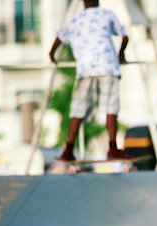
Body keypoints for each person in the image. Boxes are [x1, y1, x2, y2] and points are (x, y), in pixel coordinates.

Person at [49, 0, 132, 161]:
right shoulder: (106, 14)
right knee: (110, 106)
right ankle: (112, 148)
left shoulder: (75, 20)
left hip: (86, 67)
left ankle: (68, 150)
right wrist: (121, 53)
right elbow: (125, 36)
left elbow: (59, 37)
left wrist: (51, 55)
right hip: (107, 65)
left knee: (78, 108)